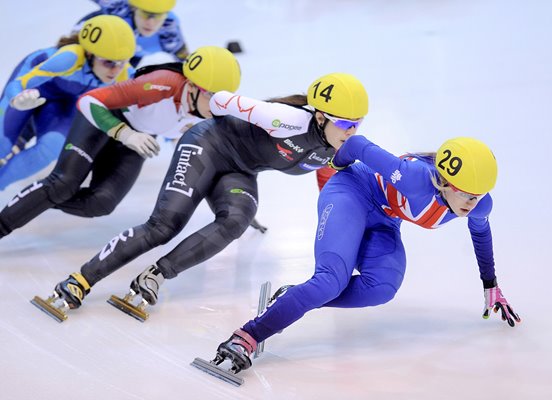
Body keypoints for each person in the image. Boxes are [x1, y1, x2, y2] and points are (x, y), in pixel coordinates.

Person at [32, 72, 370, 322]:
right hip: (207, 146)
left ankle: (155, 275)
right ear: (322, 115)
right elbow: (223, 100)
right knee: (165, 225)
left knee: (235, 221)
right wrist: (202, 121)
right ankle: (80, 280)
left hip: (239, 172)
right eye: (345, 123)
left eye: (358, 124)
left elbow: (330, 190)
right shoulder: (289, 118)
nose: (352, 131)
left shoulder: (337, 149)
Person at [207, 135, 521, 374]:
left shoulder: (480, 204)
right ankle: (246, 337)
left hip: (384, 219)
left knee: (382, 287)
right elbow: (356, 144)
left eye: (478, 195)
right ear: (443, 181)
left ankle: (294, 297)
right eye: (465, 193)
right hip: (351, 192)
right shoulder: (413, 178)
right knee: (330, 281)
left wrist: (490, 282)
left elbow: (480, 233)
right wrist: (336, 169)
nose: (472, 203)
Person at [0, 46, 240, 243]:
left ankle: (39, 197)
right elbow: (89, 101)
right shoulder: (161, 83)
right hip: (105, 120)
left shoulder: (213, 110)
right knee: (63, 184)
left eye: (223, 98)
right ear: (192, 86)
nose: (218, 104)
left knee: (100, 203)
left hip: (137, 139)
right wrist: (125, 134)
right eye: (212, 95)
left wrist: (229, 202)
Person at [0, 15, 136, 191]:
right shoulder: (68, 59)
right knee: (2, 144)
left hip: (64, 103)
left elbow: (155, 102)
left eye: (121, 62)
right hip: (31, 91)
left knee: (51, 149)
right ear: (89, 54)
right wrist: (15, 99)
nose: (115, 70)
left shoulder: (126, 74)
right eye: (108, 62)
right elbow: (18, 83)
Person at [77, 0, 188, 67]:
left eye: (158, 16)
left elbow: (187, 62)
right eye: (144, 14)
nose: (150, 23)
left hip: (130, 54)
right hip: (91, 33)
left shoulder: (169, 32)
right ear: (133, 8)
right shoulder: (120, 8)